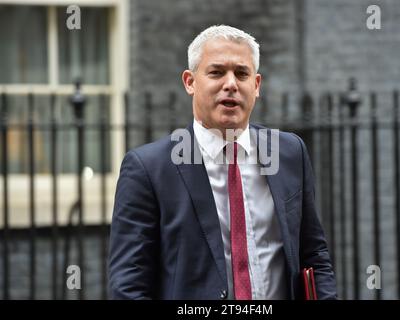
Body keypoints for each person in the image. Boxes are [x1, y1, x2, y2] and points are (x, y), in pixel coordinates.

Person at [108, 25, 337, 300]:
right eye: (216, 72)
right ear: (190, 82)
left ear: (256, 85)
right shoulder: (147, 169)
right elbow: (128, 286)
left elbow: (313, 254)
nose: (231, 84)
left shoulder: (289, 152)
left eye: (242, 73)